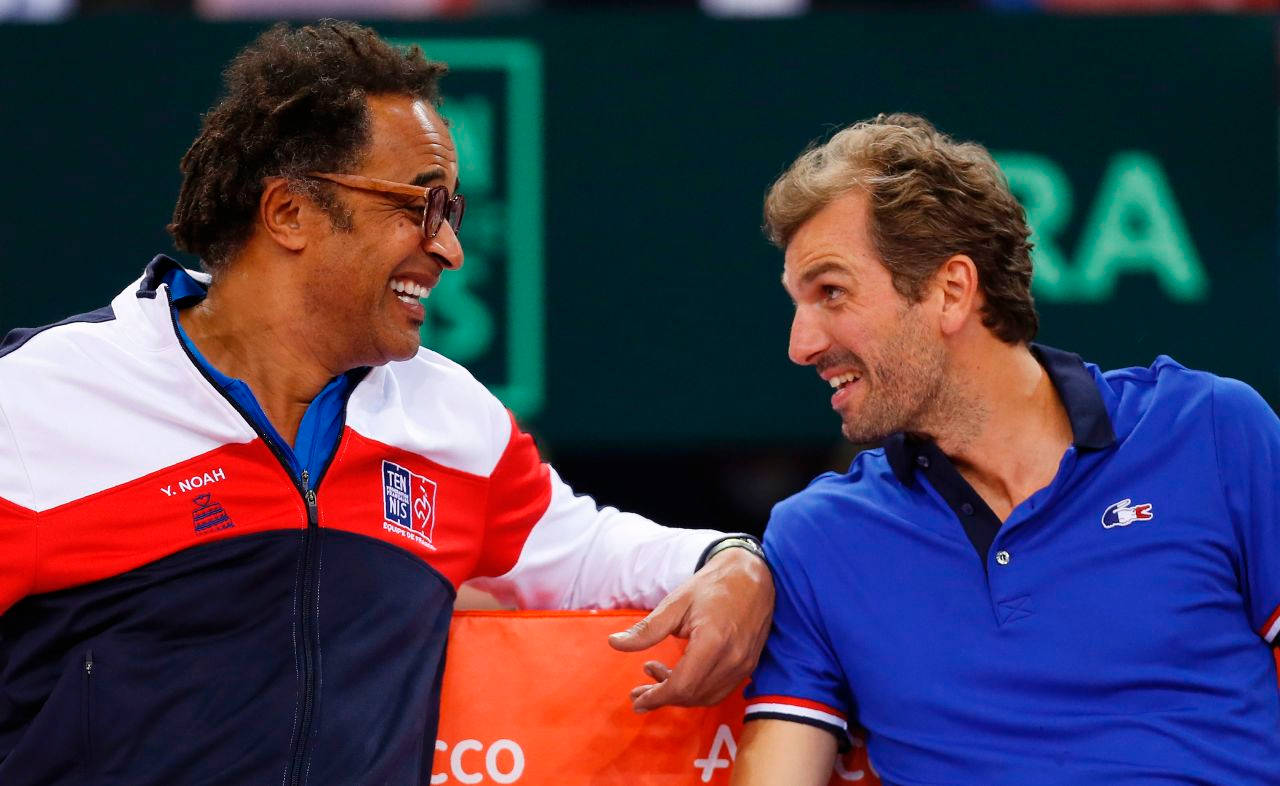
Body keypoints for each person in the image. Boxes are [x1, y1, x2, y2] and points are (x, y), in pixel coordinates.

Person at [0, 21, 773, 785]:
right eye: (418, 206)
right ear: (289, 213)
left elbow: (596, 555)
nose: (449, 249)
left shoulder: (453, 421)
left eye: (453, 213)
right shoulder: (38, 401)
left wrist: (733, 562)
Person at [731, 113, 1280, 785]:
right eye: (798, 302)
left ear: (951, 291)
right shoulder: (816, 539)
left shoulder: (1215, 432)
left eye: (831, 292)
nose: (801, 344)